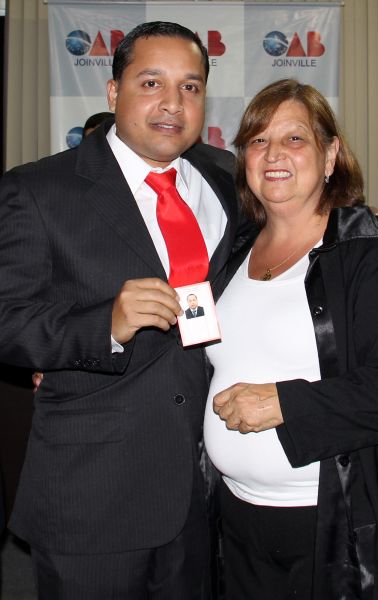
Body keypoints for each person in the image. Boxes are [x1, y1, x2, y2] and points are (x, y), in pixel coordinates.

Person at [0, 21, 252, 599]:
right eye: (151, 83)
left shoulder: (226, 177)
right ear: (114, 92)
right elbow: (8, 320)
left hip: (207, 486)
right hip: (95, 493)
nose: (173, 103)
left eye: (190, 87)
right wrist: (103, 327)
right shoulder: (38, 190)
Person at [204, 79, 378, 599]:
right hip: (231, 518)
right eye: (258, 140)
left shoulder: (374, 249)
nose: (273, 154)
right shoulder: (231, 251)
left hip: (332, 527)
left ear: (330, 155)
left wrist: (285, 404)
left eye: (294, 138)